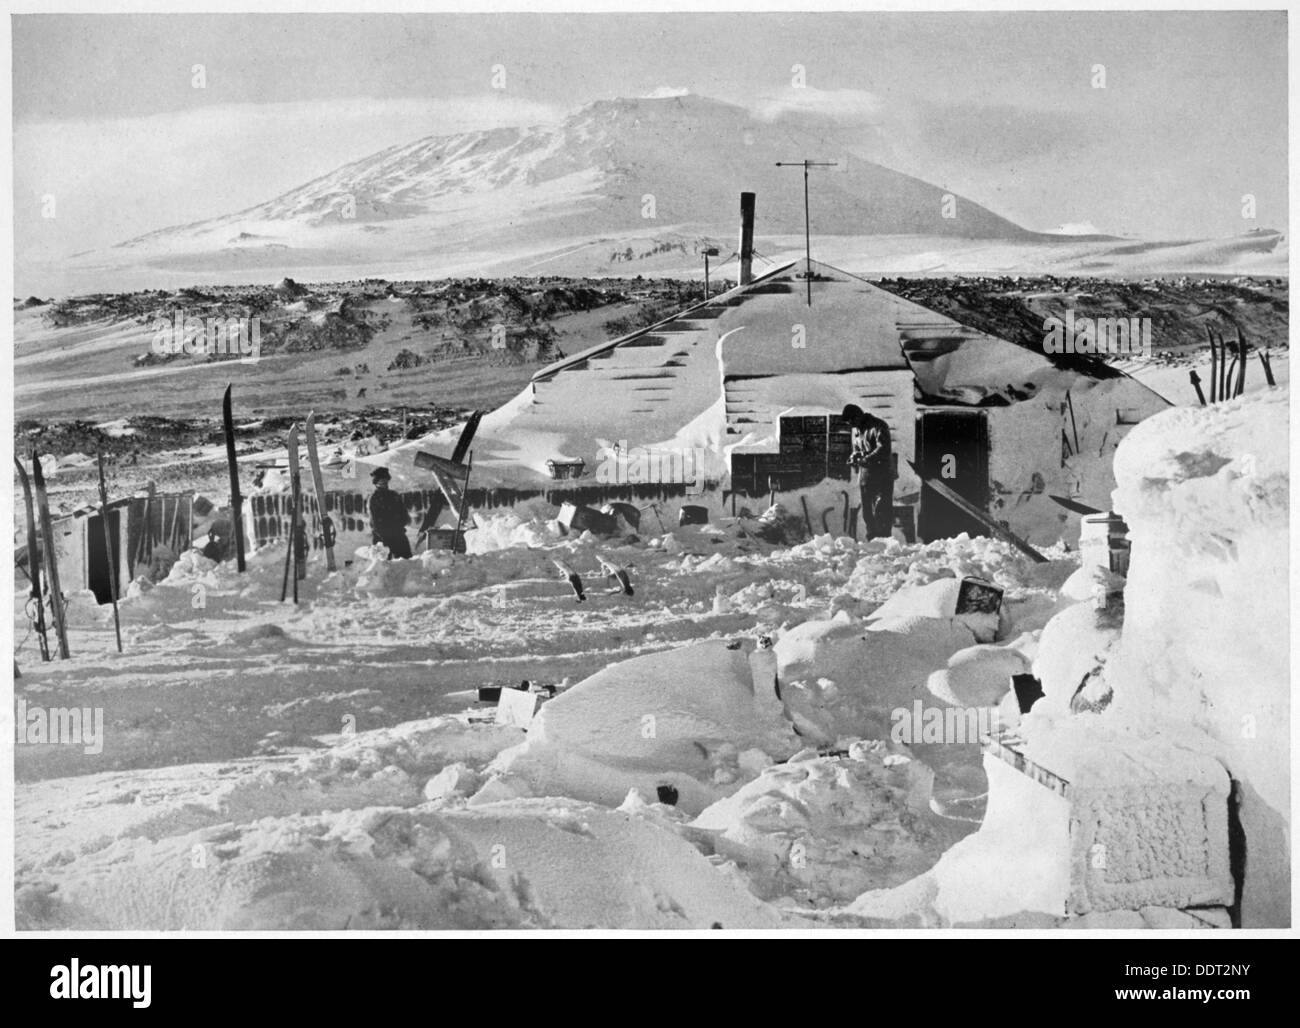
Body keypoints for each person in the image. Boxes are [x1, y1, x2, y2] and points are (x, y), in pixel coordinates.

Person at [842, 404, 894, 539]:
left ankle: (884, 541)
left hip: (882, 475)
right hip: (865, 477)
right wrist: (855, 456)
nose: (852, 425)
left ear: (858, 416)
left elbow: (883, 449)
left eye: (852, 421)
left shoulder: (878, 426)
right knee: (867, 513)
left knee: (881, 510)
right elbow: (858, 449)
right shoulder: (858, 430)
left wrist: (865, 459)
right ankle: (872, 541)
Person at [368, 467, 412, 559]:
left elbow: (403, 513)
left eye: (385, 480)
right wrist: (382, 535)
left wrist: (400, 525)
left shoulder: (394, 495)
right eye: (381, 481)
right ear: (376, 483)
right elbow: (374, 521)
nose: (384, 483)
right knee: (383, 565)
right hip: (381, 537)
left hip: (398, 534)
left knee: (405, 561)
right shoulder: (374, 499)